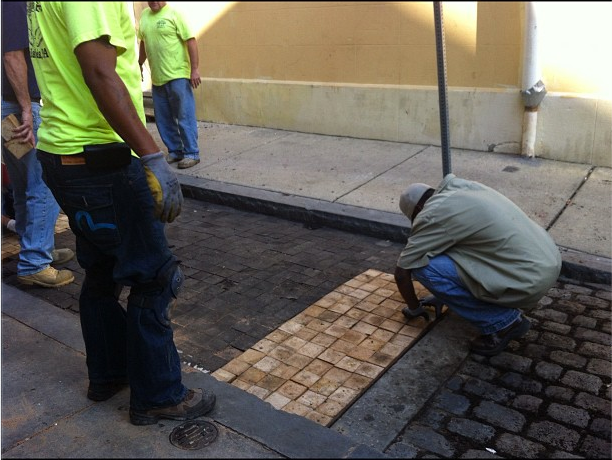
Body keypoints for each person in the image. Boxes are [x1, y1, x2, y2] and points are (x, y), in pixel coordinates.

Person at [27, 1, 215, 425]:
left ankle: (108, 376)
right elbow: (98, 71)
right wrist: (151, 155)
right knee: (156, 277)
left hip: (64, 154)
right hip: (100, 159)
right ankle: (159, 396)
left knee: (101, 272)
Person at [394, 173, 562, 357]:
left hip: (528, 279)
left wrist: (414, 308)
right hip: (548, 261)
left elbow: (403, 272)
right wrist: (442, 296)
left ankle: (504, 322)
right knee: (442, 246)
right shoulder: (464, 189)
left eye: (414, 217)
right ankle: (475, 304)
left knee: (422, 267)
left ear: (418, 207)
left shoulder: (432, 214)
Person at [1, 1, 74, 287]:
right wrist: (27, 110)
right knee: (43, 184)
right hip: (16, 109)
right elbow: (11, 55)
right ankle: (35, 261)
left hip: (7, 109)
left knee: (23, 185)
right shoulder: (14, 3)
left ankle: (37, 247)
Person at [137, 1, 202, 170]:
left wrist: (194, 70)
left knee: (184, 115)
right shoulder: (144, 16)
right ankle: (175, 151)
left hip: (178, 75)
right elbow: (143, 42)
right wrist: (139, 63)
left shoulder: (175, 14)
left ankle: (191, 153)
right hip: (158, 78)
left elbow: (191, 41)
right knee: (163, 118)